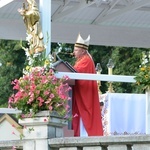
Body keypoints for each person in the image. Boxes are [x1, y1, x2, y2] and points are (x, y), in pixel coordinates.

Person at [72, 34, 103, 137]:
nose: (73, 52)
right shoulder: (81, 60)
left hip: (86, 94)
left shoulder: (86, 60)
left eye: (76, 50)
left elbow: (77, 72)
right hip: (80, 93)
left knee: (86, 115)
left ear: (83, 51)